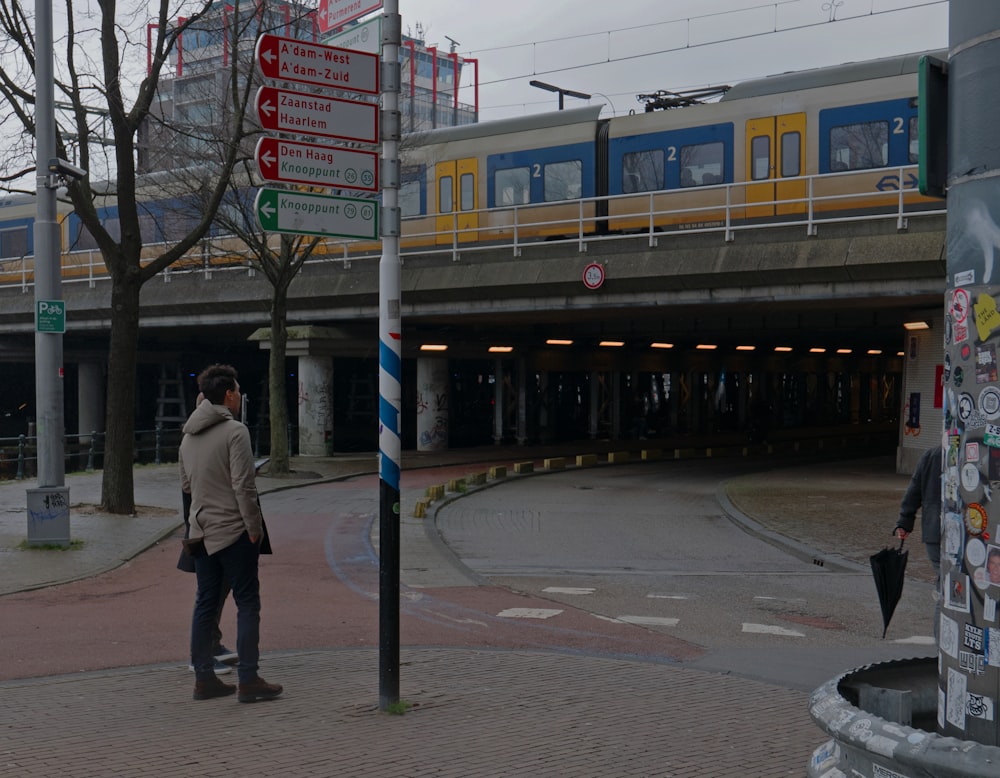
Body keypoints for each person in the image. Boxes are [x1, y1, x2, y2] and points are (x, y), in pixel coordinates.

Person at [179, 364, 282, 703]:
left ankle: (203, 678)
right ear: (228, 395)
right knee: (248, 603)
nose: (239, 397)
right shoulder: (235, 432)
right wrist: (253, 529)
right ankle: (249, 680)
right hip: (234, 531)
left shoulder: (187, 437)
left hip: (201, 531)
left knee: (205, 603)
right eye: (237, 391)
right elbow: (243, 485)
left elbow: (186, 486)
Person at [894, 445, 943, 632]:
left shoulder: (932, 454)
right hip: (961, 535)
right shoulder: (978, 451)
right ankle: (945, 645)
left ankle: (944, 646)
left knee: (945, 584)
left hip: (934, 532)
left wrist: (904, 522)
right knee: (950, 586)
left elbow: (914, 490)